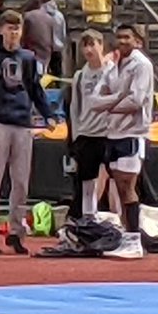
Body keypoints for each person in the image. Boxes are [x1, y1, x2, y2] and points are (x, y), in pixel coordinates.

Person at [0, 10, 54, 256]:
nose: (13, 33)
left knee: (20, 181)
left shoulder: (27, 58)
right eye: (9, 28)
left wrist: (48, 114)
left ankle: (16, 231)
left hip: (22, 123)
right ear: (1, 30)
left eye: (17, 29)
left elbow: (35, 88)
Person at [91, 24, 154, 259]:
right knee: (119, 187)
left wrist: (109, 107)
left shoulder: (141, 65)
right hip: (114, 133)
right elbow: (95, 99)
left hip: (133, 133)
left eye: (127, 37)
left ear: (138, 41)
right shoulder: (114, 66)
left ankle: (134, 240)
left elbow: (136, 100)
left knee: (127, 187)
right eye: (119, 37)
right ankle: (129, 237)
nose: (122, 41)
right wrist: (117, 99)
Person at [68, 30, 112, 222]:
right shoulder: (80, 76)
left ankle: (122, 219)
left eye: (92, 44)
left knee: (119, 180)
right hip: (87, 133)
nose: (88, 50)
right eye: (85, 45)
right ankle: (88, 217)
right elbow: (75, 107)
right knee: (87, 180)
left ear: (101, 45)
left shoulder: (113, 71)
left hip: (110, 134)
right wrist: (76, 136)